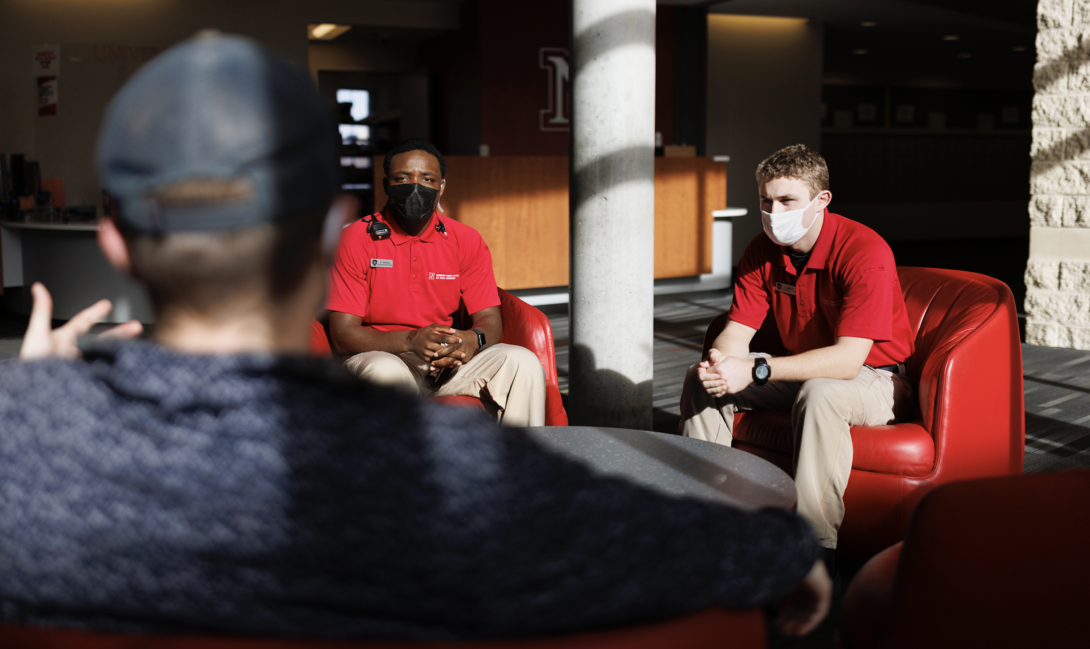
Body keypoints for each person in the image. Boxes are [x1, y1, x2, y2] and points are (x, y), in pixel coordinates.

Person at [0, 34, 830, 640]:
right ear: (330, 233)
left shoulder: (21, 440)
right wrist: (784, 548)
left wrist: (35, 402)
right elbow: (658, 543)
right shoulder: (428, 473)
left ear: (113, 239)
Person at [679, 144, 915, 575]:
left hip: (876, 379)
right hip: (802, 369)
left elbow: (847, 363)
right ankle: (705, 523)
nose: (774, 212)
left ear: (821, 200)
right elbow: (739, 330)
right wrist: (722, 364)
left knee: (821, 391)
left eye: (787, 201)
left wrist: (755, 368)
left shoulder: (865, 251)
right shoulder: (761, 249)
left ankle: (812, 553)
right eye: (766, 201)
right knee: (701, 381)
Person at [325, 140, 545, 427]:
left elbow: (490, 318)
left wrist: (471, 340)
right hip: (383, 355)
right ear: (386, 184)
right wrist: (409, 341)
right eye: (402, 178)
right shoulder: (356, 238)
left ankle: (522, 466)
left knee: (522, 362)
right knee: (384, 372)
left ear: (441, 186)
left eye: (427, 179)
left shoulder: (465, 239)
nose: (415, 187)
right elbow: (343, 334)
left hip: (447, 364)